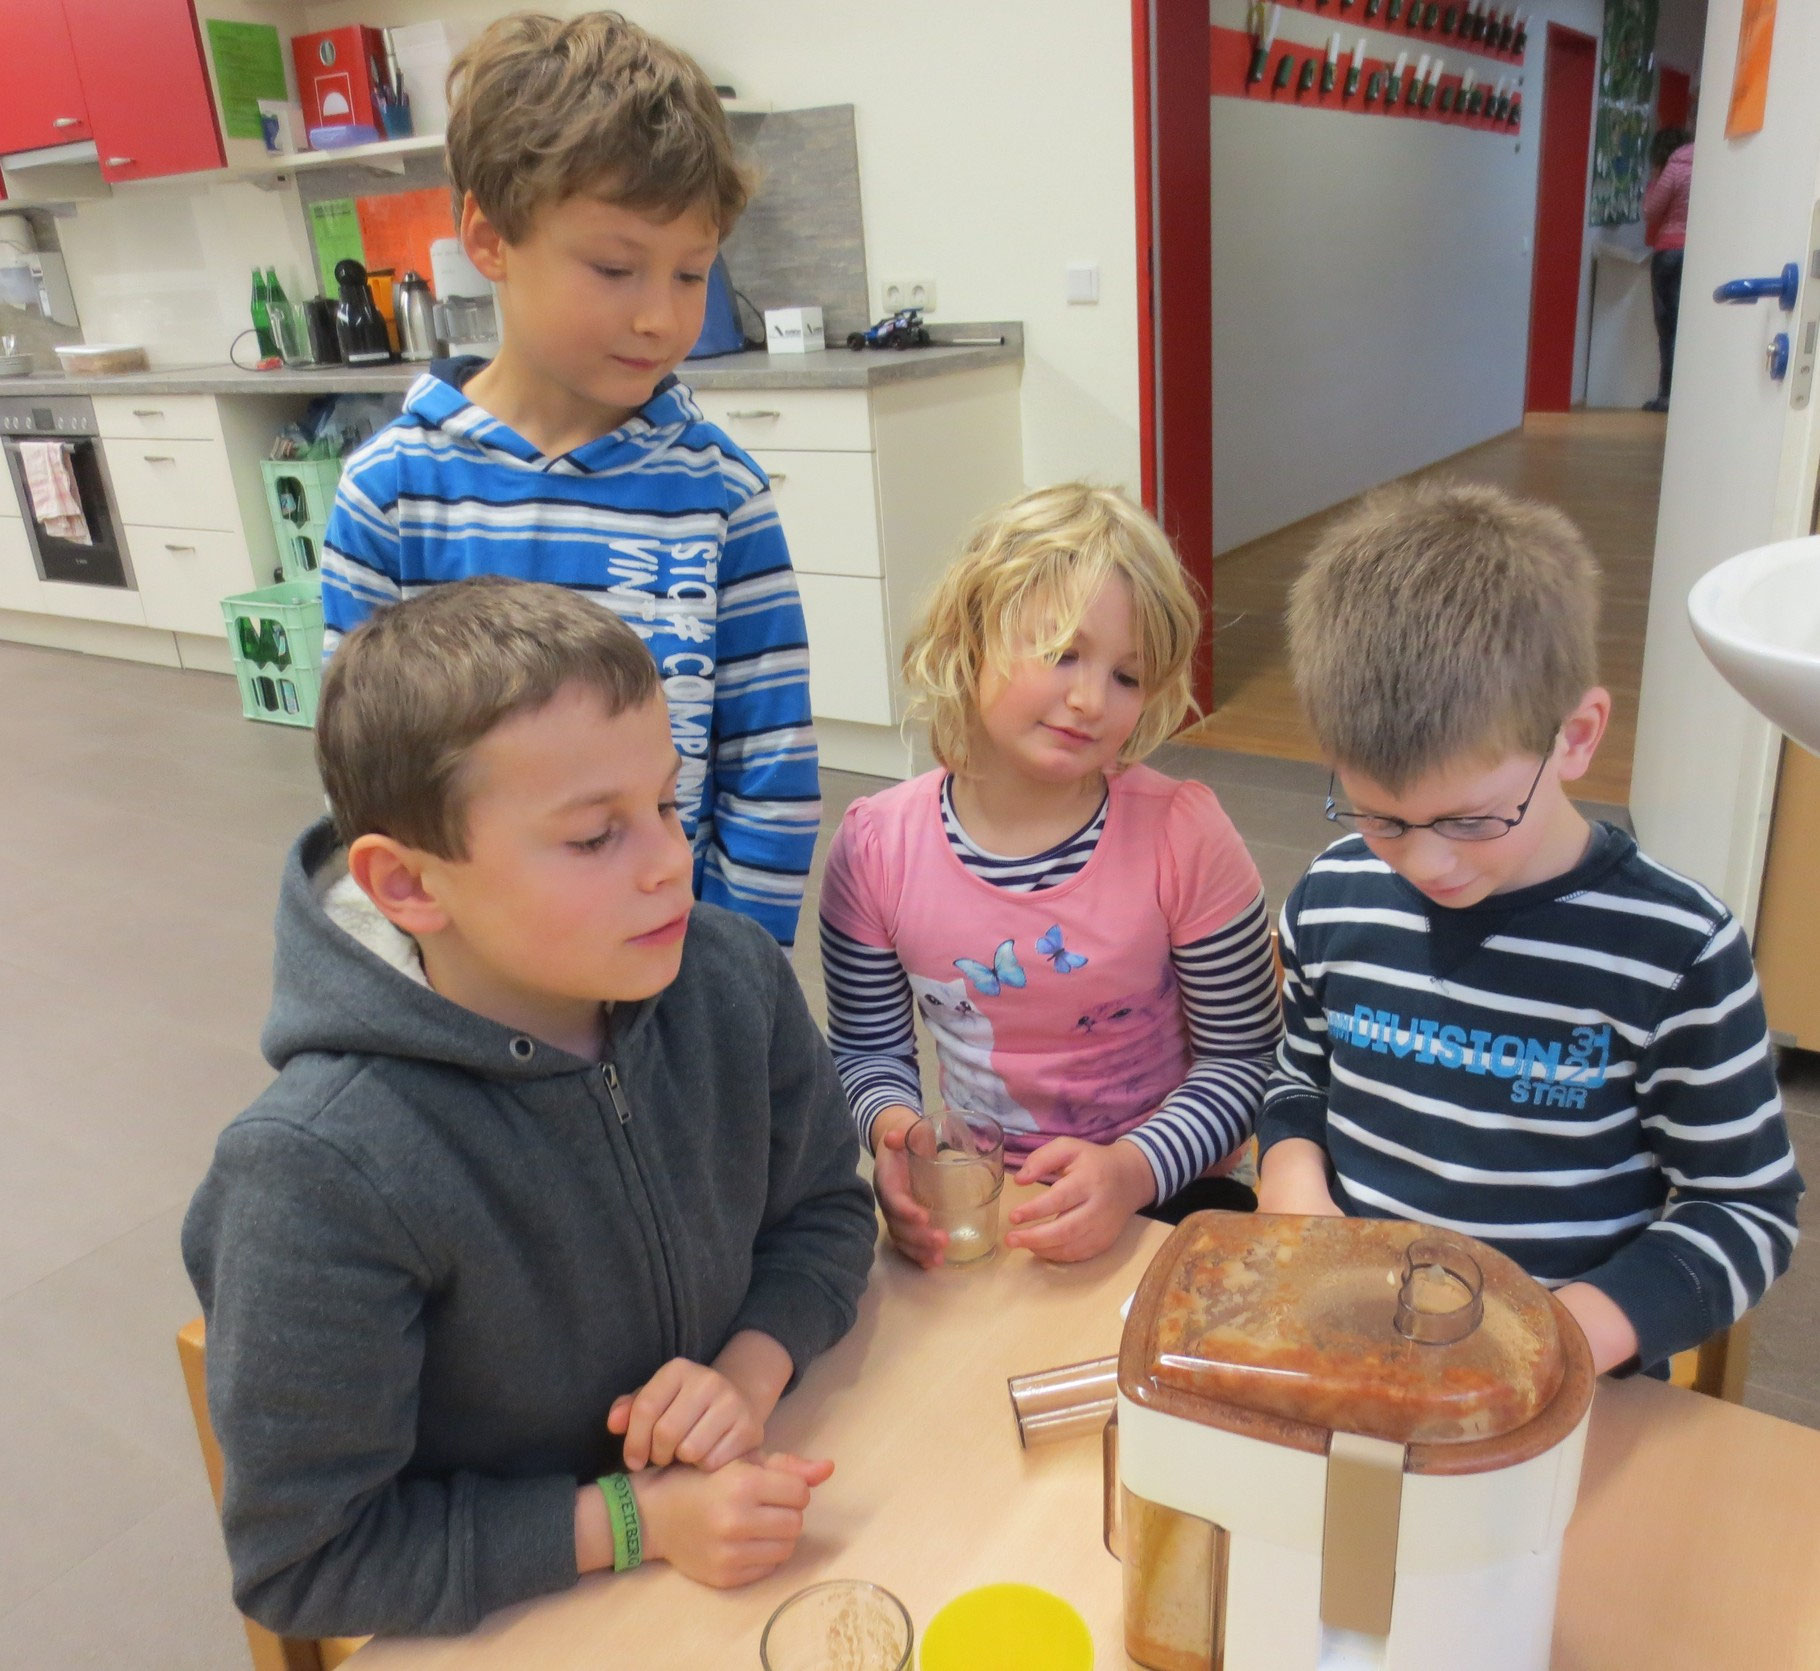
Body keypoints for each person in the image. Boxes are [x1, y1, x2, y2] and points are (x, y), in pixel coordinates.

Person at [182, 577, 876, 1638]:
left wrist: (747, 1369)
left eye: (664, 804)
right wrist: (632, 1520)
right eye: (595, 838)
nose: (668, 865)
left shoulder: (726, 975)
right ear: (409, 887)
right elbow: (306, 1562)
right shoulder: (315, 1175)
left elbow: (825, 1211)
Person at [1258, 480, 1802, 1376]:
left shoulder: (1676, 952)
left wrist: (1564, 1334)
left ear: (1576, 736)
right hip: (1350, 1346)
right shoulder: (1332, 897)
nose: (1429, 864)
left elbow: (1745, 1209)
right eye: (1381, 818)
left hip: (1558, 1381)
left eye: (1472, 819)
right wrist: (1290, 1178)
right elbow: (1298, 1080)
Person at [318, 12, 818, 946]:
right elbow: (365, 776)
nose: (659, 318)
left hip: (667, 954)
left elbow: (772, 765)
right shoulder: (392, 493)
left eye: (691, 274)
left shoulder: (722, 497)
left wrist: (737, 971)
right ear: (492, 237)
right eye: (616, 267)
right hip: (470, 965)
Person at [820, 484, 1282, 1267]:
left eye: (1127, 676)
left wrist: (1134, 1170)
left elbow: (1246, 1061)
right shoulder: (872, 849)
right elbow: (866, 1054)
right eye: (1061, 652)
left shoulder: (1185, 834)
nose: (1089, 699)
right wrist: (896, 1133)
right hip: (987, 1198)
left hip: (1173, 1189)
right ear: (968, 639)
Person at [1642, 125, 1693, 413]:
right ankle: (1688, 394)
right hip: (1696, 252)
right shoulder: (1706, 165)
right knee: (1688, 324)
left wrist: (1654, 181)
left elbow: (1651, 209)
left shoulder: (1672, 169)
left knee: (1667, 327)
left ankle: (1667, 395)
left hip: (1669, 252)